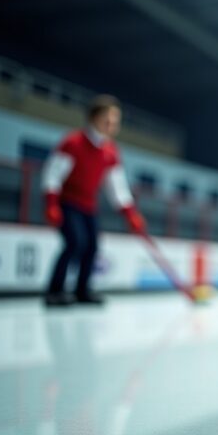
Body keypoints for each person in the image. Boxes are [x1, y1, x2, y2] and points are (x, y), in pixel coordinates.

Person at [41, 95, 146, 306]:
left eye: (116, 121)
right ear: (94, 117)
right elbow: (52, 174)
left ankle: (82, 291)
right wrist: (51, 203)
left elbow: (117, 187)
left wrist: (130, 213)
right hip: (68, 203)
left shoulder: (110, 151)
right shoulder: (73, 143)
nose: (113, 124)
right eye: (109, 119)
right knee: (75, 243)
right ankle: (55, 291)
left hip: (89, 206)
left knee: (92, 247)